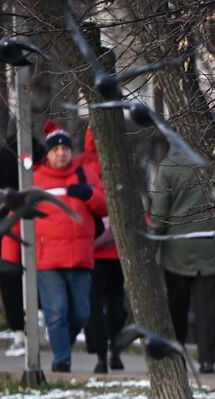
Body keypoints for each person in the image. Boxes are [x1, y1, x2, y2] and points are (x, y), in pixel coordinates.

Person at [0, 123, 107, 373]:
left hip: (81, 259)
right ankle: (61, 362)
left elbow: (103, 208)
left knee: (81, 314)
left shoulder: (85, 176)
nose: (61, 153)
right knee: (56, 312)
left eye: (65, 148)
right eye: (55, 149)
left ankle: (62, 346)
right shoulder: (34, 179)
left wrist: (89, 195)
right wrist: (9, 260)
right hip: (48, 261)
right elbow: (15, 220)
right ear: (47, 154)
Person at [150, 144, 215, 373]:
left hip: (176, 249)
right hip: (207, 245)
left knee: (176, 307)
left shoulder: (169, 167)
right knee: (207, 307)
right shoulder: (211, 165)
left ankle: (177, 354)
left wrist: (152, 245)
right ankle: (207, 359)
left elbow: (159, 215)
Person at [0, 127, 43, 358]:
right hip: (39, 224)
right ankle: (41, 318)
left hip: (5, 227)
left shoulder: (0, 156)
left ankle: (18, 335)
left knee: (10, 279)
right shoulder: (42, 154)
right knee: (39, 271)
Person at [78, 128, 127, 374]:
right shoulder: (120, 160)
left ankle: (101, 354)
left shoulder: (81, 166)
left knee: (95, 303)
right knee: (115, 301)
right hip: (117, 248)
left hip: (93, 248)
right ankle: (114, 350)